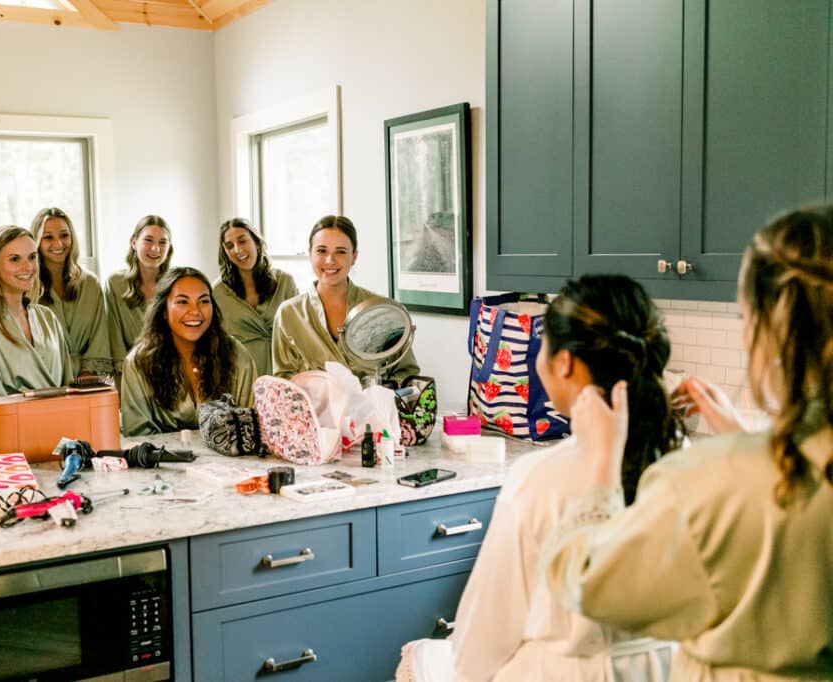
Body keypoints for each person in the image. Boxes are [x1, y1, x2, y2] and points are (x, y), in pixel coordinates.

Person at [542, 206, 833, 680]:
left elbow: (585, 581)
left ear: (769, 329)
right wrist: (742, 436)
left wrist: (601, 466)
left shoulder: (698, 484)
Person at [396, 275, 680, 682]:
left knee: (421, 659)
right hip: (665, 668)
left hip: (565, 673)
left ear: (564, 363)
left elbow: (482, 641)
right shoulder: (686, 459)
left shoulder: (541, 478)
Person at [272, 214, 419, 382]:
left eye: (340, 251)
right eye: (321, 251)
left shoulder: (383, 310)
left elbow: (408, 373)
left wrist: (378, 392)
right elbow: (282, 384)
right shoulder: (288, 314)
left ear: (354, 257)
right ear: (310, 254)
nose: (330, 260)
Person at [121, 267, 256, 435]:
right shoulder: (138, 363)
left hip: (232, 452)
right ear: (164, 310)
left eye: (204, 301)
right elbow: (137, 435)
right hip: (161, 453)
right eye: (183, 302)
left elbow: (249, 426)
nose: (195, 311)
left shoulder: (237, 356)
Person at [0, 225, 73, 419]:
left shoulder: (47, 319)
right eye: (15, 259)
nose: (28, 267)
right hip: (13, 434)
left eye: (32, 257)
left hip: (63, 431)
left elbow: (70, 391)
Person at [30, 208, 112, 378]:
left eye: (64, 235)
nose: (58, 244)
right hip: (45, 379)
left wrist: (87, 375)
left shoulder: (90, 284)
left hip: (88, 380)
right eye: (48, 237)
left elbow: (100, 336)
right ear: (36, 242)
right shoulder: (28, 287)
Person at [213, 218, 298, 376]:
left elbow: (300, 331)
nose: (237, 250)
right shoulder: (218, 291)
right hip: (241, 373)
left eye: (242, 241)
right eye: (229, 246)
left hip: (284, 370)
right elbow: (215, 342)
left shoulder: (285, 282)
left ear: (257, 243)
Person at [105, 215, 173, 377]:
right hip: (130, 373)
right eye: (148, 240)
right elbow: (115, 341)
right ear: (134, 243)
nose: (155, 248)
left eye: (162, 242)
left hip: (172, 372)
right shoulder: (115, 284)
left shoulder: (176, 284)